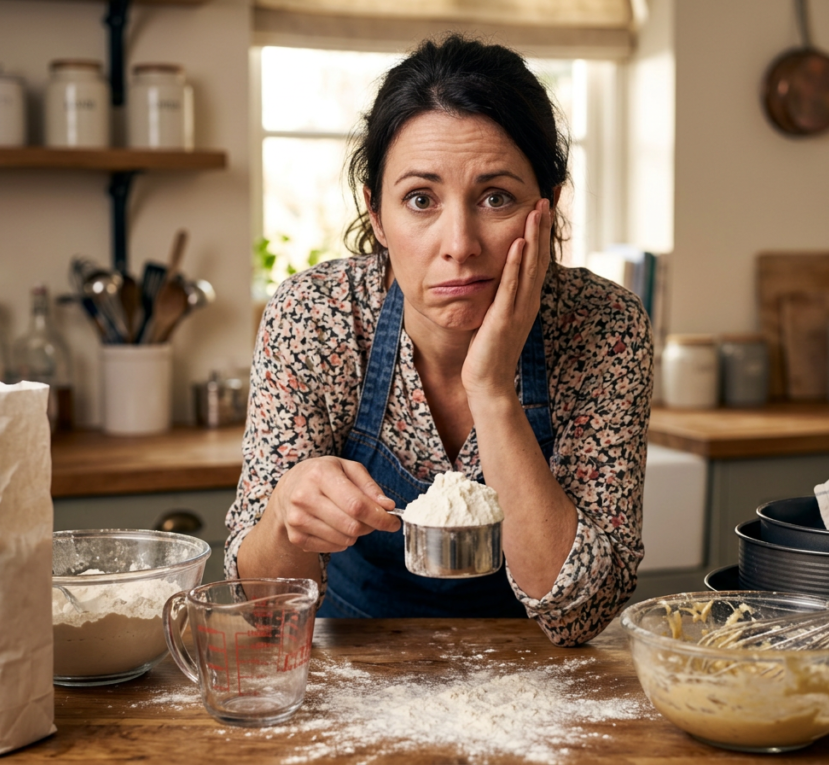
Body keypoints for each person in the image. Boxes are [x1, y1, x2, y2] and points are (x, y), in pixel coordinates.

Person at [226, 34, 653, 648]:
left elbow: (580, 616)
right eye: (420, 199)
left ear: (548, 206)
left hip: (541, 673)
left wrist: (492, 389)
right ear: (376, 214)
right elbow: (264, 614)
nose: (460, 244)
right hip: (355, 663)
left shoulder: (603, 326)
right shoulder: (316, 316)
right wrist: (284, 516)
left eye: (495, 198)